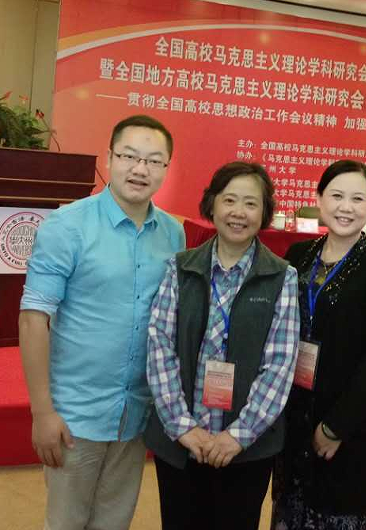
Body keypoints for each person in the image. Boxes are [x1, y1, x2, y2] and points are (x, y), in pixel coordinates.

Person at [19, 114, 185, 530]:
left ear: (166, 168)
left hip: (136, 412)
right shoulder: (67, 225)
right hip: (75, 413)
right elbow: (34, 319)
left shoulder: (173, 234)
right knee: (66, 521)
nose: (140, 169)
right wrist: (42, 412)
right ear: (109, 158)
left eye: (154, 160)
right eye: (129, 156)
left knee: (114, 521)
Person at [145, 161, 300, 530]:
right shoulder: (180, 267)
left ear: (264, 212)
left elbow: (280, 365)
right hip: (180, 443)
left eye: (251, 203)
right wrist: (182, 427)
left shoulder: (282, 276)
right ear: (212, 204)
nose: (238, 212)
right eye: (229, 200)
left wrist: (237, 436)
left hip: (246, 449)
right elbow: (159, 347)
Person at [271, 159, 366, 530]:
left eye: (358, 199)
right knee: (292, 510)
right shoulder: (298, 256)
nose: (346, 207)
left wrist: (336, 427)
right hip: (297, 409)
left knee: (338, 511)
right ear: (319, 199)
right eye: (336, 196)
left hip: (349, 416)